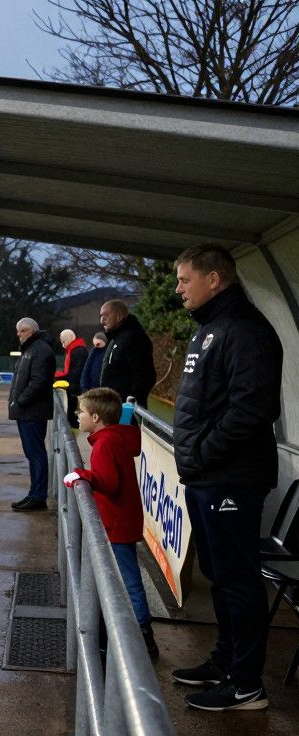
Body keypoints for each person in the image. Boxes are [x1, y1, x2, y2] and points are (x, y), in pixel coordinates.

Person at [168, 244, 282, 712]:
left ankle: (247, 685)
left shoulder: (244, 329)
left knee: (237, 579)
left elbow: (253, 408)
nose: (177, 289)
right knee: (219, 575)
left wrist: (203, 453)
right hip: (208, 476)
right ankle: (226, 661)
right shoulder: (211, 329)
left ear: (214, 279)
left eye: (184, 280)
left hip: (229, 477)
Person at [63, 387, 159, 659]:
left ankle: (143, 637)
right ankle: (131, 633)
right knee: (125, 579)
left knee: (128, 581)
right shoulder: (113, 438)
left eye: (80, 412)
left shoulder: (105, 443)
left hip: (116, 525)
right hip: (121, 521)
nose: (77, 415)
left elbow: (110, 483)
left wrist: (81, 474)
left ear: (95, 417)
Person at [8, 317, 55, 512]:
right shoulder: (31, 349)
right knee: (32, 454)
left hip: (32, 412)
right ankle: (34, 494)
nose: (19, 334)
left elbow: (38, 382)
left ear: (32, 331)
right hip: (27, 412)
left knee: (36, 454)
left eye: (22, 331)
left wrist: (21, 401)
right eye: (18, 331)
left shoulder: (40, 349)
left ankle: (38, 497)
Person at [99, 299, 155, 407]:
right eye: (101, 316)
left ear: (119, 316)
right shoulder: (116, 338)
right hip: (111, 406)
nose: (102, 320)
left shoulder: (134, 337)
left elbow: (145, 375)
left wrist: (130, 406)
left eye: (106, 316)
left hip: (123, 410)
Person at [55, 329, 88, 428]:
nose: (63, 345)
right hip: (74, 387)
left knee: (72, 415)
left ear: (69, 339)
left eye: (63, 342)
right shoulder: (75, 349)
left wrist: (65, 382)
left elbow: (75, 372)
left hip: (75, 388)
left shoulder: (77, 351)